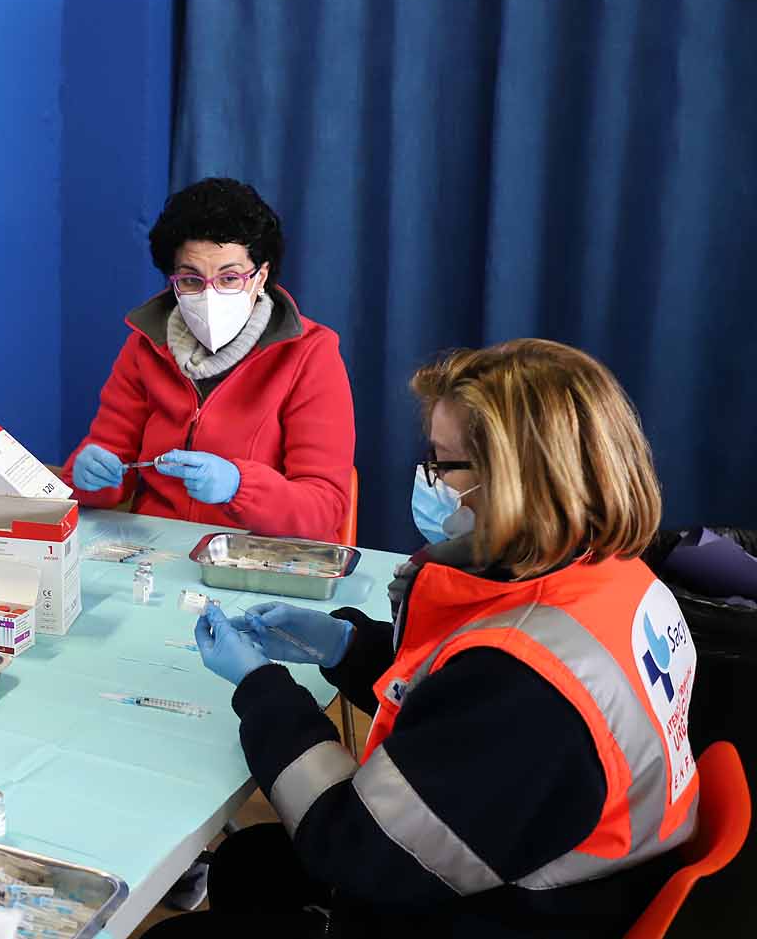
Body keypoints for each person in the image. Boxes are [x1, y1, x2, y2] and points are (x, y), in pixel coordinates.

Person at [149, 339, 700, 939]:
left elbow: (353, 845)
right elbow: (460, 704)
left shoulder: (525, 687)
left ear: (513, 480)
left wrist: (261, 689)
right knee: (248, 863)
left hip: (499, 912)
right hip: (547, 866)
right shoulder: (612, 574)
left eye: (443, 463)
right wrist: (347, 648)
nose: (430, 479)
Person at [64, 178, 354, 541]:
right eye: (191, 280)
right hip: (156, 554)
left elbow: (324, 509)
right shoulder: (145, 346)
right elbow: (106, 467)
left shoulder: (311, 353)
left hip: (258, 560)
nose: (210, 294)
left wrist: (240, 486)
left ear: (260, 276)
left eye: (230, 277)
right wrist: (87, 476)